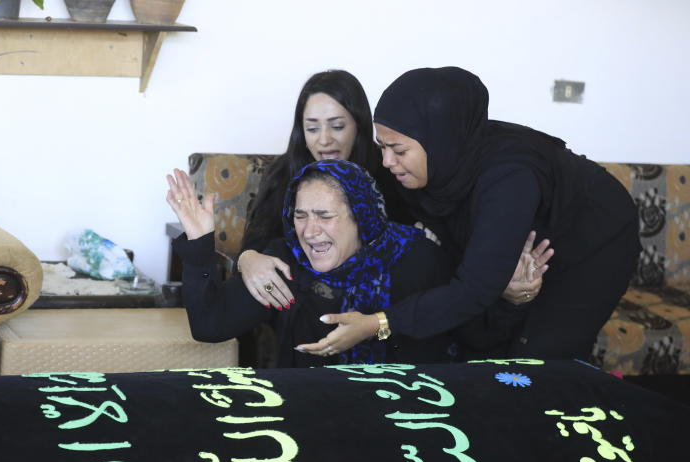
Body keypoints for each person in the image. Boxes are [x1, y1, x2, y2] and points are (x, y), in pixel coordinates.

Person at [345, 66, 640, 360]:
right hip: (523, 234)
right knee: (485, 343)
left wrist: (376, 325)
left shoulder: (509, 178)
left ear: (438, 141)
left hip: (593, 240)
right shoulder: (436, 165)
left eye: (398, 150)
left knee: (540, 358)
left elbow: (474, 289)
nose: (386, 161)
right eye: (381, 146)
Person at [166, 159, 472, 367]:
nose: (310, 232)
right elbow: (210, 325)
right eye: (300, 216)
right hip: (305, 413)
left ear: (361, 218)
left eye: (325, 216)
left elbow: (462, 341)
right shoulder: (284, 262)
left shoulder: (416, 257)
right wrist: (199, 246)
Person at [236, 70, 411, 310]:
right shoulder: (283, 174)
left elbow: (409, 244)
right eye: (313, 128)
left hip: (379, 308)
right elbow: (256, 246)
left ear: (358, 126)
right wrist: (247, 259)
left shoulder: (389, 169)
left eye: (337, 126)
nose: (325, 140)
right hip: (304, 303)